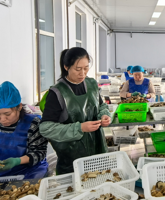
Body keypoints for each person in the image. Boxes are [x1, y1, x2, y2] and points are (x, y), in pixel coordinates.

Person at [40, 47, 112, 175]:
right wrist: (80, 128)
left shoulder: (92, 84)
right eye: (78, 69)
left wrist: (104, 115)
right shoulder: (57, 93)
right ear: (66, 67)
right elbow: (46, 128)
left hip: (98, 151)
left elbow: (101, 106)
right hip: (72, 160)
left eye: (86, 68)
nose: (82, 73)